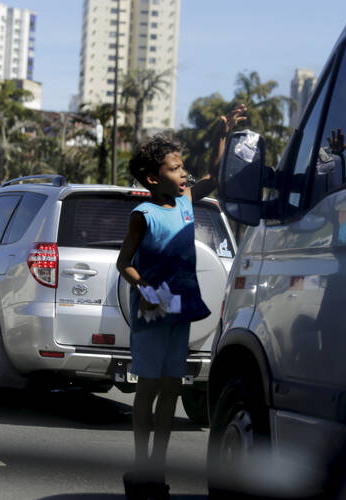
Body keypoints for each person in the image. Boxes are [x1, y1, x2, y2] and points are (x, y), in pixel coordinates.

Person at [116, 104, 247, 499]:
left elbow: (215, 175)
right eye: (175, 169)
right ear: (154, 179)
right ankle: (142, 467)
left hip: (181, 308)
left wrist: (219, 135)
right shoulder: (144, 214)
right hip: (154, 310)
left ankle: (158, 468)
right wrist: (146, 290)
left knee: (172, 388)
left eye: (182, 167)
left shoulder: (188, 201)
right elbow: (125, 263)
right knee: (149, 388)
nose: (183, 174)